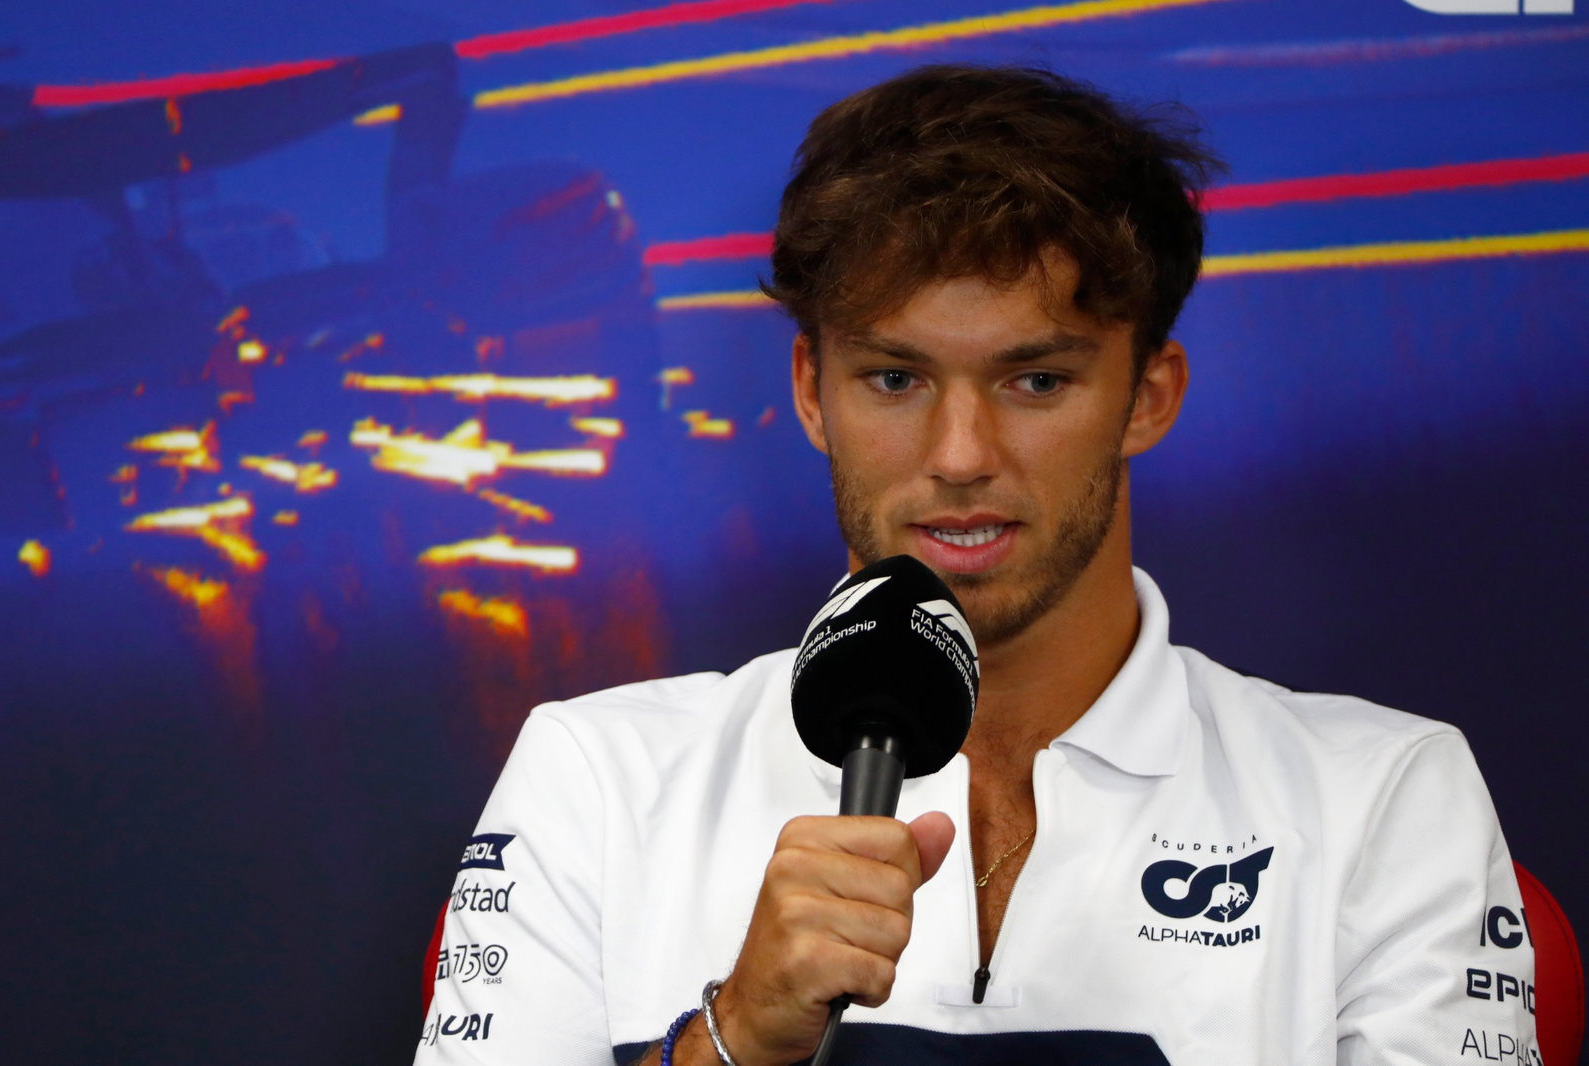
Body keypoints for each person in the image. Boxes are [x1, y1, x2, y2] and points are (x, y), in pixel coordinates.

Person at [415, 65, 1539, 1065]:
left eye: (1034, 380)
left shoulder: (1386, 795)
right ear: (811, 390)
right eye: (896, 379)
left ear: (1148, 395)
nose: (960, 457)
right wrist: (735, 1038)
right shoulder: (597, 779)